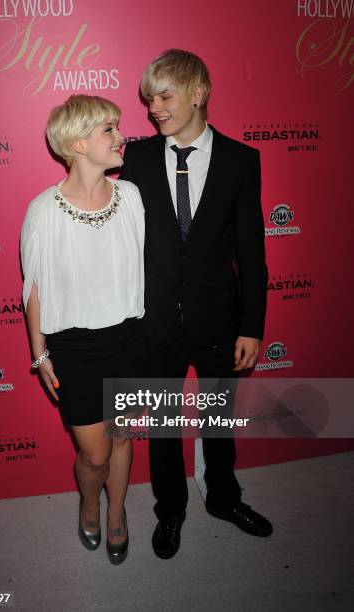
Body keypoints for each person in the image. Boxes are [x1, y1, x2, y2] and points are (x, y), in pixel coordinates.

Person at [120, 49, 272, 560]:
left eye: (164, 97)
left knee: (218, 420)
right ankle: (171, 511)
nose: (154, 109)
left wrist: (252, 326)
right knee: (162, 427)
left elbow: (252, 250)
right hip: (156, 323)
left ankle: (224, 499)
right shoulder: (136, 158)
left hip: (218, 320)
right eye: (149, 100)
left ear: (198, 95)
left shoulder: (240, 160)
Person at [20, 94, 145, 565]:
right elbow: (35, 288)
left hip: (131, 338)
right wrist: (40, 354)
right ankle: (89, 502)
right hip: (75, 348)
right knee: (94, 454)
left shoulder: (130, 196)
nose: (121, 136)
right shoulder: (43, 211)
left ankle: (117, 514)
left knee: (123, 438)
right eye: (108, 130)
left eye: (118, 126)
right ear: (77, 144)